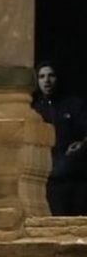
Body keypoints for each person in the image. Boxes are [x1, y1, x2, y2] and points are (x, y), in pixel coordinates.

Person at [32, 62, 87, 216]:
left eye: (51, 75)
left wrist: (82, 145)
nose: (46, 80)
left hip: (77, 178)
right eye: (42, 76)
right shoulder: (35, 111)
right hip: (50, 181)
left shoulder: (74, 105)